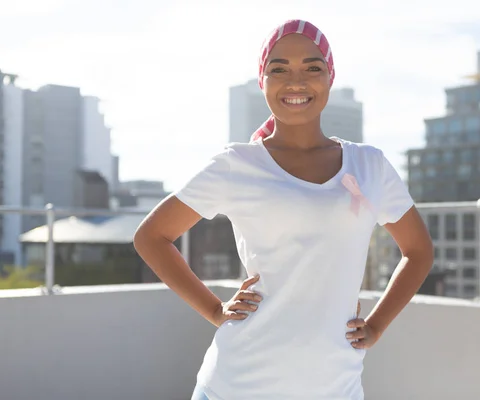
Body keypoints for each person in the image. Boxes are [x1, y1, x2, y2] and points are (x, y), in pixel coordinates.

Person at [133, 19, 434, 400]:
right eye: (279, 69)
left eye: (312, 67)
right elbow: (151, 237)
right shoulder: (236, 164)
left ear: (329, 78)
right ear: (263, 80)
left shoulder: (369, 165)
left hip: (335, 388)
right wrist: (214, 310)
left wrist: (376, 326)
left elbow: (419, 251)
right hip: (236, 387)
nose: (296, 81)